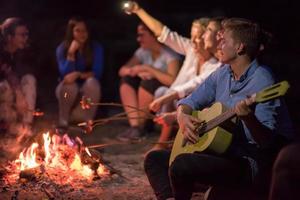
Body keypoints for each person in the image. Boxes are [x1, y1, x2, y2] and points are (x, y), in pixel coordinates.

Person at [144, 18, 294, 200]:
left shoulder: (263, 80)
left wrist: (249, 119)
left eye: (223, 41)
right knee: (154, 159)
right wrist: (182, 116)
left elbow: (267, 142)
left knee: (181, 165)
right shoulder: (223, 73)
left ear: (239, 47)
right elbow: (190, 100)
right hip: (221, 153)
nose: (218, 45)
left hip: (248, 162)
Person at [118, 23, 180, 141]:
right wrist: (136, 71)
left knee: (149, 82)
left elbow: (172, 80)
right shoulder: (142, 51)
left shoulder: (169, 54)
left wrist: (148, 69)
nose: (138, 39)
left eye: (142, 35)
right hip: (147, 92)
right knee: (127, 80)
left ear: (154, 35)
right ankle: (135, 126)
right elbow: (122, 70)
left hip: (163, 95)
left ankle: (142, 126)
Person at [56, 17, 104, 130]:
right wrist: (71, 53)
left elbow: (97, 72)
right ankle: (63, 121)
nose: (82, 34)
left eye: (84, 31)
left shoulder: (95, 47)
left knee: (92, 83)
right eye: (78, 30)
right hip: (67, 90)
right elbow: (66, 76)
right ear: (71, 32)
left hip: (86, 90)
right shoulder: (62, 48)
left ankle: (87, 121)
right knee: (69, 86)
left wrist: (78, 74)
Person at [0, 17, 36, 135]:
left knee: (29, 79)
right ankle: (6, 125)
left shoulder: (24, 51)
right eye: (22, 35)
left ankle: (26, 126)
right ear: (9, 37)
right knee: (3, 86)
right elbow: (8, 73)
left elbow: (25, 73)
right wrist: (19, 93)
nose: (25, 38)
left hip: (15, 101)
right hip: (4, 98)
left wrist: (20, 94)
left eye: (26, 34)